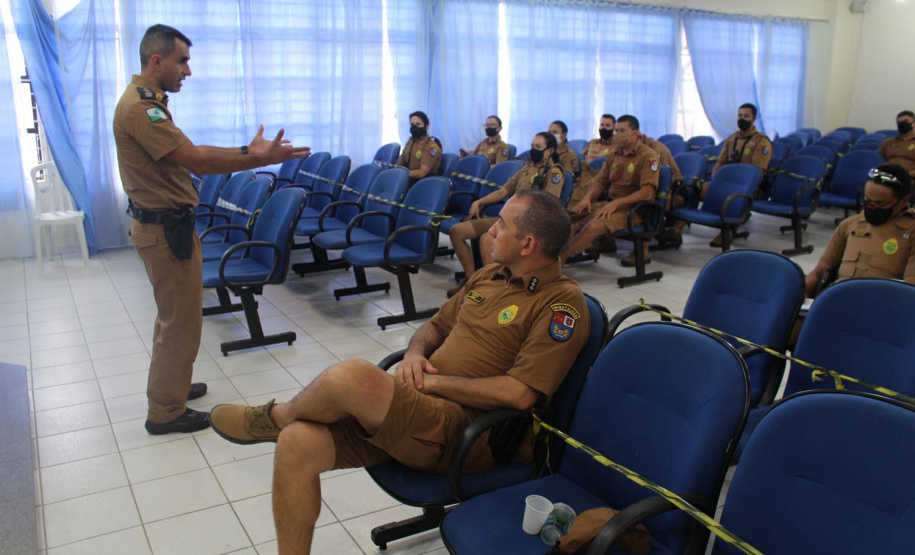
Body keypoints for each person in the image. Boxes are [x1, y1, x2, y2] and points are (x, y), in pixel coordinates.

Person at [209, 191, 590, 555]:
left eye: (500, 225)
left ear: (527, 245)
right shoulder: (492, 275)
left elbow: (519, 394)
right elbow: (436, 326)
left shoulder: (561, 304)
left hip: (470, 434)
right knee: (296, 443)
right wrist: (413, 354)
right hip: (421, 411)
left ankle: (273, 417)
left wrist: (433, 381)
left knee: (354, 377)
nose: (489, 230)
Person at [113, 24, 310, 435]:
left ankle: (174, 388)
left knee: (177, 317)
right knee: (179, 322)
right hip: (165, 231)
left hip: (171, 228)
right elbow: (196, 160)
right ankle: (166, 412)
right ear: (157, 60)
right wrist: (254, 157)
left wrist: (245, 151)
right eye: (182, 61)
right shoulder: (141, 108)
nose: (188, 70)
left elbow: (186, 157)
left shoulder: (149, 103)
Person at [448, 132, 567, 296]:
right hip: (506, 218)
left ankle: (495, 290)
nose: (533, 150)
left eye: (538, 147)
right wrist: (479, 202)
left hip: (527, 224)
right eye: (532, 146)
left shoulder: (554, 173)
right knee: (457, 231)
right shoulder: (528, 168)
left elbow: (549, 205)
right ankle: (472, 283)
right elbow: (503, 191)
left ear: (550, 151)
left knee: (487, 239)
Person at [560, 115, 660, 267]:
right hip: (610, 205)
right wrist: (588, 199)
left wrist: (617, 204)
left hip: (634, 210)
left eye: (623, 130)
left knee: (592, 227)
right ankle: (560, 257)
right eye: (617, 130)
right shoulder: (615, 153)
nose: (618, 134)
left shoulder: (648, 156)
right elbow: (601, 181)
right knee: (573, 221)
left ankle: (558, 262)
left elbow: (647, 193)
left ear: (636, 133)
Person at [666, 103, 771, 247]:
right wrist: (716, 181)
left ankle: (727, 231)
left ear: (753, 119)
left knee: (729, 196)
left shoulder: (762, 141)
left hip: (747, 185)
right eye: (740, 115)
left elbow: (757, 171)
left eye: (746, 116)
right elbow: (720, 162)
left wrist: (735, 184)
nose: (742, 119)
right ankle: (677, 228)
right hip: (726, 181)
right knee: (695, 189)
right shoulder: (733, 138)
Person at [804, 164, 915, 295]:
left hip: (882, 304)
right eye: (868, 200)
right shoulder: (850, 224)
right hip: (838, 298)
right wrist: (799, 295)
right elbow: (818, 273)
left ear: (903, 201)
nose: (872, 207)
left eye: (881, 203)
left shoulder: (911, 230)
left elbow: (909, 290)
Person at [396, 111, 443, 186]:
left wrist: (401, 174)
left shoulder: (431, 146)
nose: (414, 127)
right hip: (407, 180)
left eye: (418, 124)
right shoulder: (410, 142)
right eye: (412, 125)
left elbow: (422, 173)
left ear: (426, 126)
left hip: (423, 185)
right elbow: (399, 165)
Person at [579, 114, 616, 184]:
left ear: (614, 128)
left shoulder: (616, 145)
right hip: (584, 174)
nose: (603, 128)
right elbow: (580, 156)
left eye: (607, 126)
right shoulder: (592, 142)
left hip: (601, 177)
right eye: (602, 125)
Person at [878, 111, 915, 178]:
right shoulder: (888, 142)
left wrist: (905, 175)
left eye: (906, 121)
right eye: (899, 122)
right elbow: (877, 160)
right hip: (888, 177)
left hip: (909, 178)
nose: (902, 124)